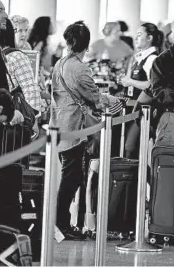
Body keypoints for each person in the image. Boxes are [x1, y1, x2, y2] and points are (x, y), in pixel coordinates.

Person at [52, 21, 120, 240]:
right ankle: (61, 225)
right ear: (86, 44)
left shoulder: (60, 63)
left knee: (70, 176)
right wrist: (114, 100)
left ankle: (65, 223)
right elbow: (96, 100)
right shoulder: (79, 68)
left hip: (61, 124)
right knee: (71, 178)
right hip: (76, 128)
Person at [120, 23, 163, 158]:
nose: (136, 38)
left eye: (139, 35)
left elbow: (153, 85)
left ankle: (138, 178)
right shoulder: (140, 58)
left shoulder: (152, 59)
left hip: (143, 111)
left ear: (149, 38)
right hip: (133, 110)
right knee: (130, 148)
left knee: (130, 147)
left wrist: (130, 81)